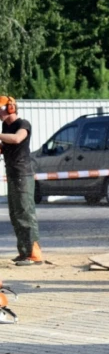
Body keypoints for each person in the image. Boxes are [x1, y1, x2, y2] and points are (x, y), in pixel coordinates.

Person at [0, 96, 43, 266]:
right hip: (12, 173)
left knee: (25, 212)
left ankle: (34, 253)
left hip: (23, 174)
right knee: (15, 213)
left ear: (10, 108)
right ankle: (24, 252)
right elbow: (8, 146)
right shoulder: (6, 126)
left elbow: (17, 139)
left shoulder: (23, 124)